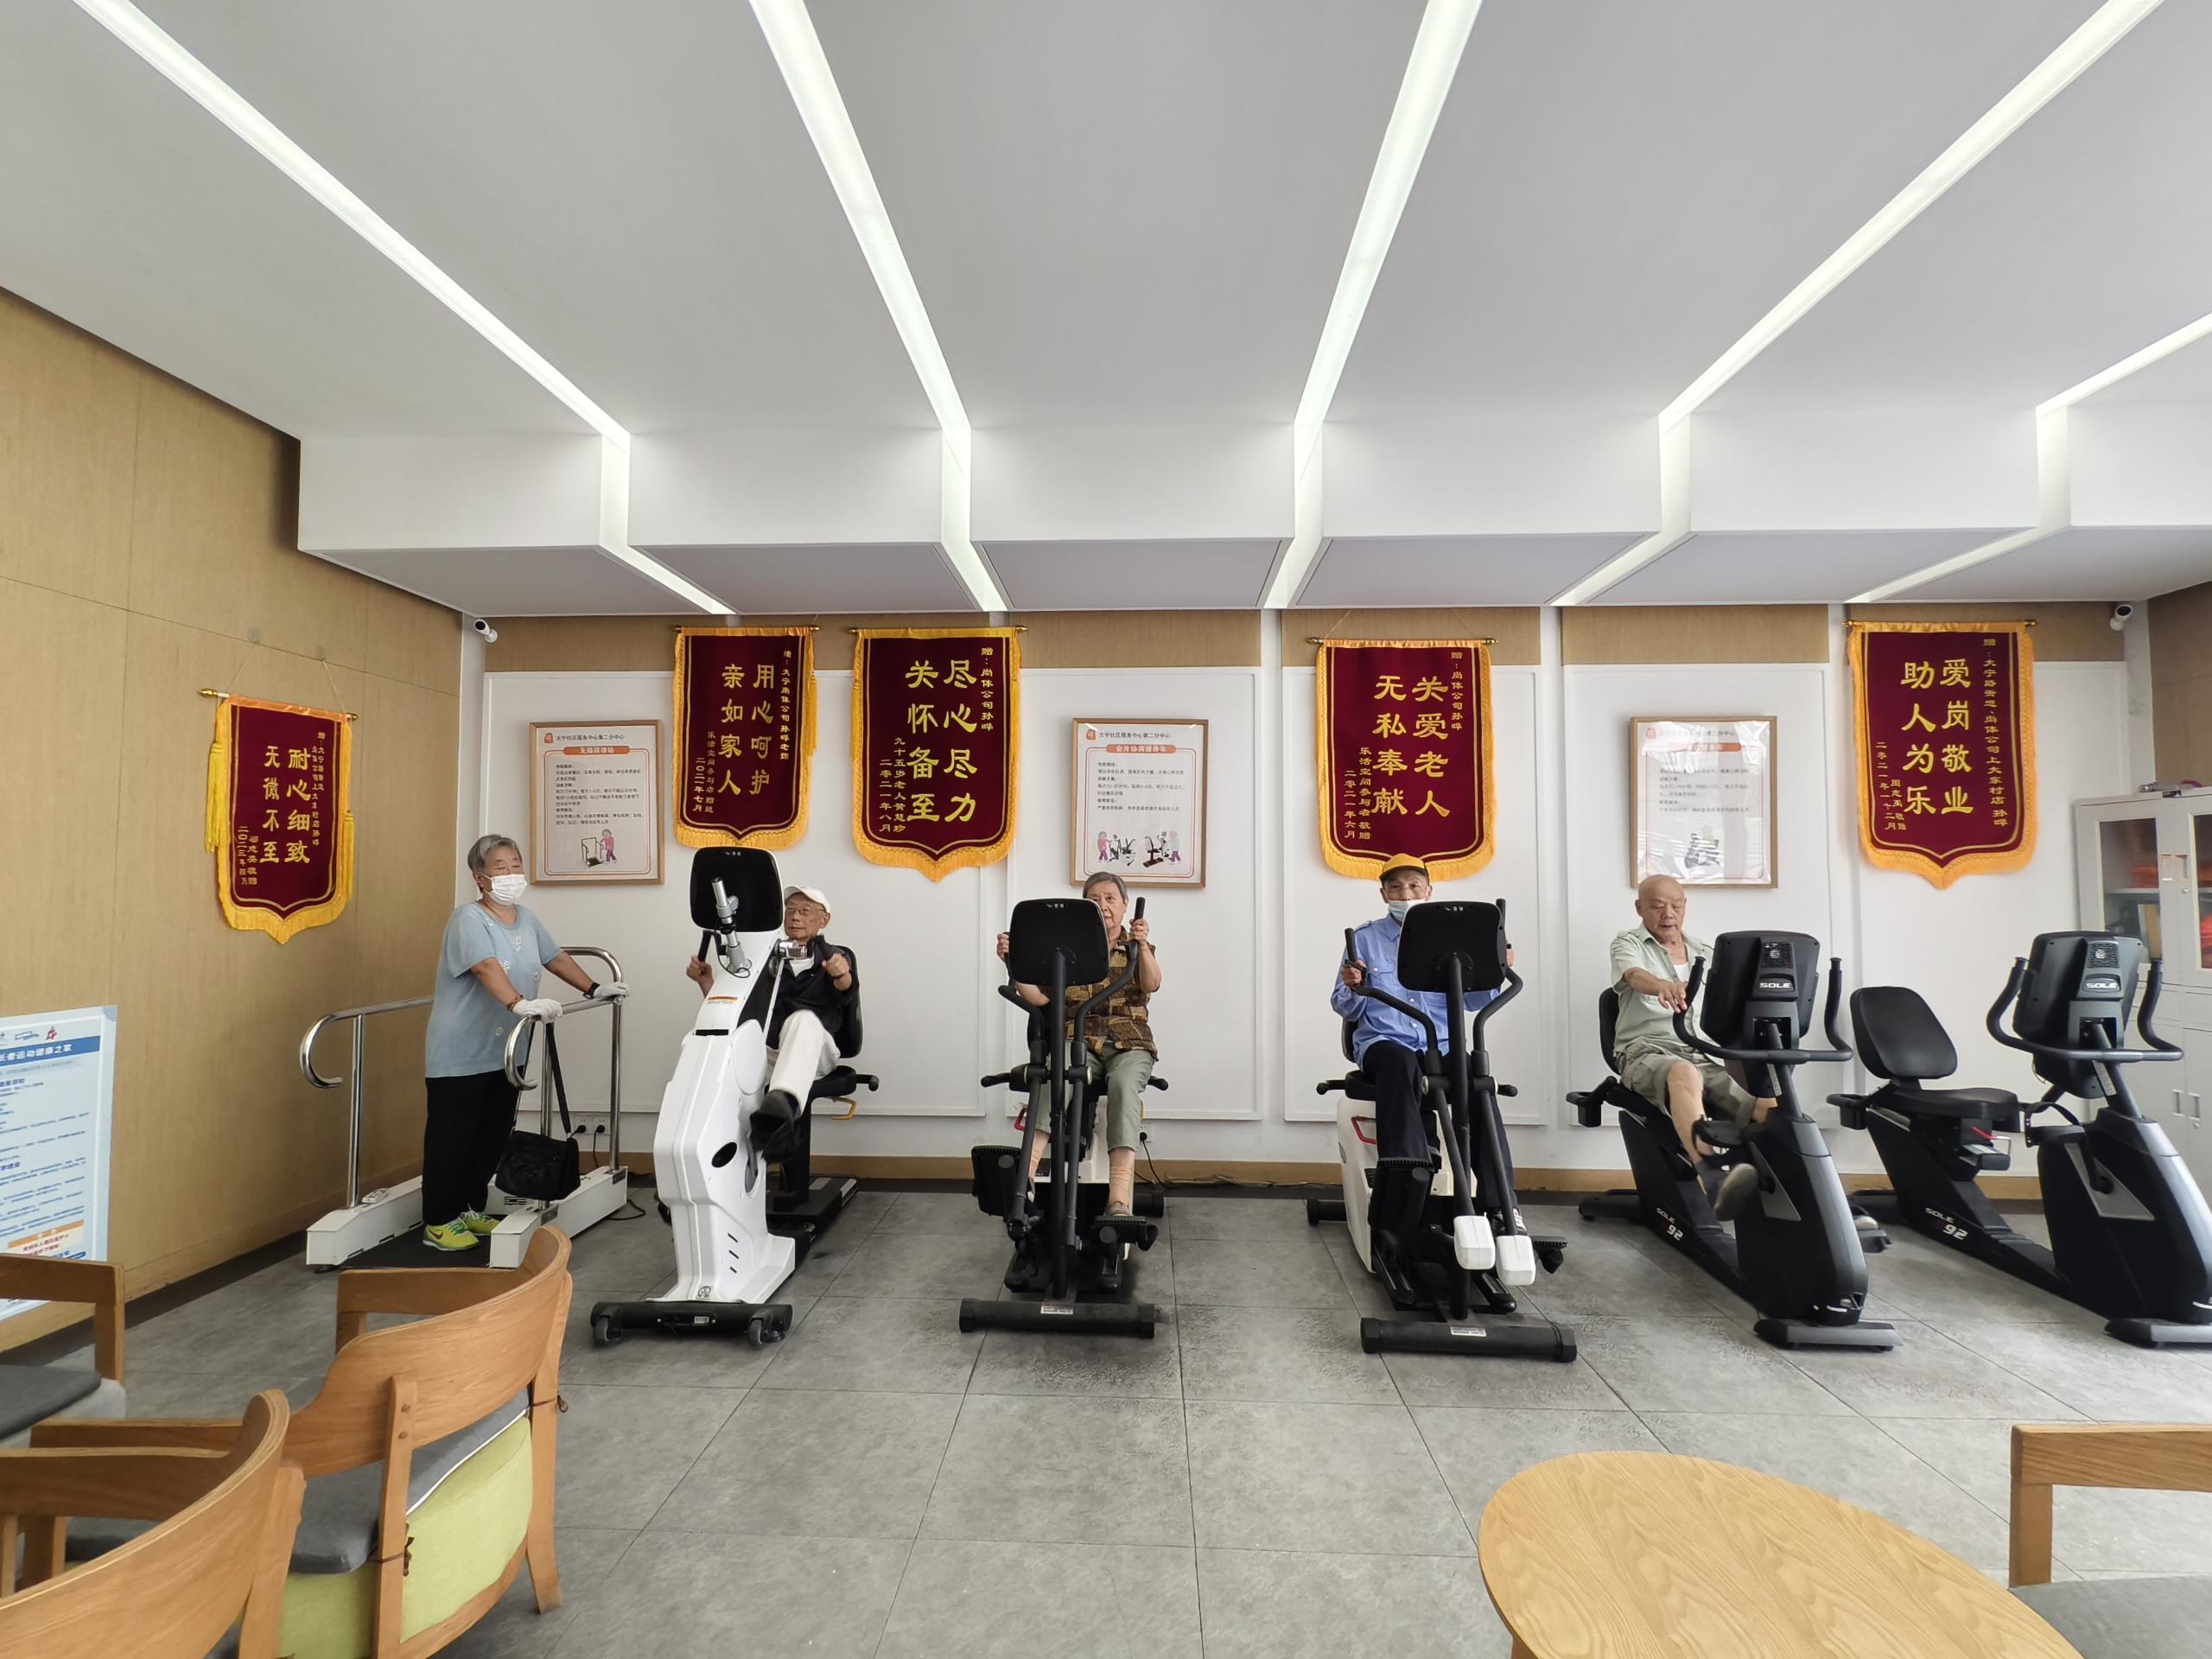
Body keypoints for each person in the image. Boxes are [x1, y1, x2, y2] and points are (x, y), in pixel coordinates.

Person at [421, 835, 620, 1251]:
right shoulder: (468, 919)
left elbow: (555, 957)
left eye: (515, 864)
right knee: (452, 1137)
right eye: (500, 866)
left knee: (490, 1135)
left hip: (508, 1051)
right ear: (479, 877)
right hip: (462, 1050)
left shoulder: (525, 918)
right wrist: (519, 1003)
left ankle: (468, 1208)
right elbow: (484, 966)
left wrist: (594, 988)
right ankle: (439, 1220)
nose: (511, 873)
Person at [996, 872, 1160, 1218]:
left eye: (1110, 898)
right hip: (1079, 1039)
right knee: (1054, 1077)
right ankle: (1025, 1180)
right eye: (1095, 900)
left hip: (1129, 1042)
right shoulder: (1068, 953)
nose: (1104, 905)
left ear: (1125, 905)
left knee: (1124, 1086)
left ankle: (1118, 1199)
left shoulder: (1135, 948)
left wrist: (1143, 945)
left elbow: (1152, 983)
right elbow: (1040, 998)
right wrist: (1014, 962)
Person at [1608, 874, 1770, 1218]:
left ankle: (1815, 1195)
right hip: (1647, 1051)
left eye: (1676, 905)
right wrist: (1662, 985)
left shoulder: (1705, 953)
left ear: (1685, 907)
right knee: (1684, 1072)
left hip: (1705, 1054)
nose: (1668, 914)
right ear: (1639, 908)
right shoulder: (1628, 943)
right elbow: (1634, 975)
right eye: (1657, 906)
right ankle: (1712, 1177)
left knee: (1768, 1104)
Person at [1332, 855, 1508, 1166]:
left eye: (1414, 886)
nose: (1406, 894)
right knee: (1400, 1061)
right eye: (1396, 887)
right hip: (1384, 1043)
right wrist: (1352, 985)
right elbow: (1345, 1007)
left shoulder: (1452, 939)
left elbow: (1474, 1002)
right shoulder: (1363, 939)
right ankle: (1409, 1171)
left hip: (1441, 1045)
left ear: (1429, 891)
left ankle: (1499, 1193)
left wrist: (1497, 969)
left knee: (1475, 1078)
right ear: (1384, 894)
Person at [687, 884, 857, 1146]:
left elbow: (845, 990)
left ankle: (783, 1104)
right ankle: (749, 1145)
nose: (795, 917)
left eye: (804, 911)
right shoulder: (763, 959)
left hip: (815, 1052)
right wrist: (706, 983)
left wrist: (842, 973)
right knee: (706, 1047)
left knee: (803, 1020)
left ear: (824, 920)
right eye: (790, 910)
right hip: (769, 1052)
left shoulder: (835, 957)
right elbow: (737, 1011)